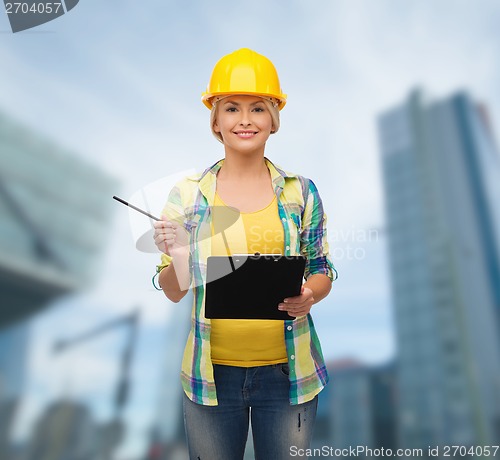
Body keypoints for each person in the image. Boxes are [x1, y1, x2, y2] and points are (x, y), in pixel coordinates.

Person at [152, 48, 337, 460]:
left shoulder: (301, 193)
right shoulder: (187, 195)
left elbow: (322, 267)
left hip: (287, 376)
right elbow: (173, 291)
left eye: (258, 107)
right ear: (215, 119)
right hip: (210, 376)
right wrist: (179, 253)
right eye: (231, 107)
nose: (245, 119)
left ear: (274, 118)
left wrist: (311, 295)